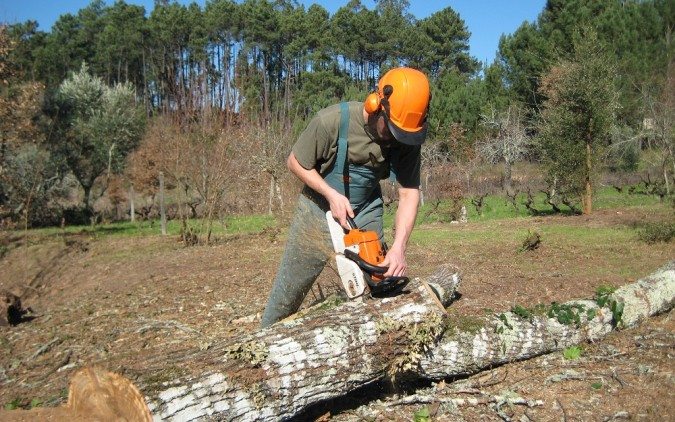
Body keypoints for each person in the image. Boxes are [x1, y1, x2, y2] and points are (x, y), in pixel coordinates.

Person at [260, 67, 431, 328]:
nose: (397, 139)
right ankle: (263, 343)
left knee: (379, 280)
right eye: (392, 130)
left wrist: (399, 248)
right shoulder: (331, 121)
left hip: (365, 208)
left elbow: (409, 193)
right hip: (316, 209)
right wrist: (330, 194)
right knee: (289, 291)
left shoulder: (406, 136)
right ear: (375, 105)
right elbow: (295, 162)